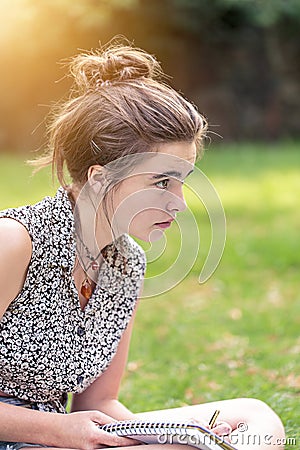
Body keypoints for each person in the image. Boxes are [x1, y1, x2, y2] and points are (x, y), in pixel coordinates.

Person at [0, 40, 285, 450]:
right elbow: (70, 425)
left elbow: (99, 402)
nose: (180, 203)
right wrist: (55, 430)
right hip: (33, 438)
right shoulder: (15, 241)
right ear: (99, 177)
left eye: (183, 181)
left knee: (253, 419)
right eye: (161, 181)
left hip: (60, 440)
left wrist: (174, 437)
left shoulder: (126, 263)